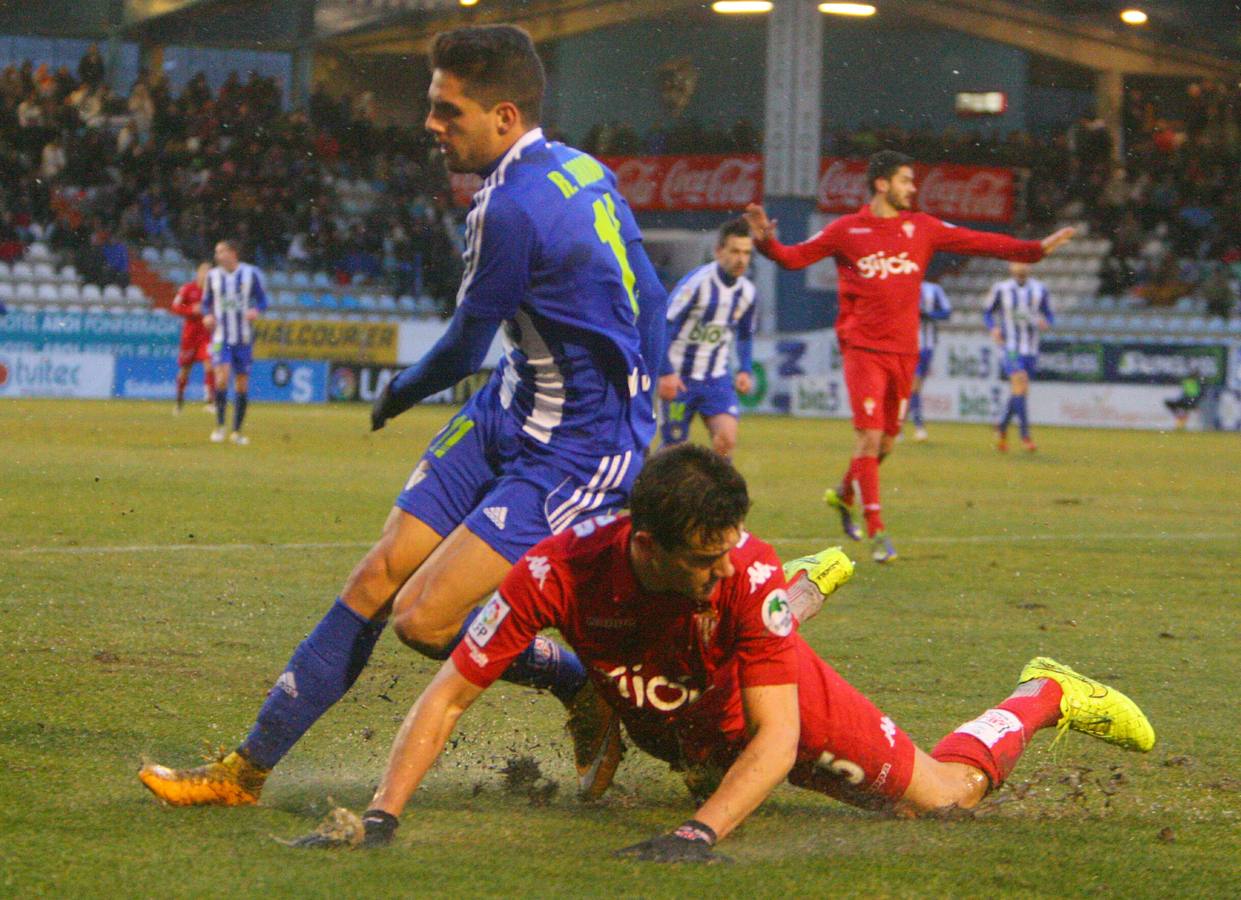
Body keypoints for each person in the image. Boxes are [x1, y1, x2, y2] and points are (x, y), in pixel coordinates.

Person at [139, 24, 667, 808]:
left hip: (575, 448)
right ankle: (244, 773)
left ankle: (576, 682)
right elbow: (650, 292)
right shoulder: (581, 169)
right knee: (378, 574)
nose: (430, 124)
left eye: (446, 110)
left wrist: (396, 393)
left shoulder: (509, 209)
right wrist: (650, 383)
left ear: (504, 115)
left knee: (421, 623)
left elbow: (458, 348)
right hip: (511, 406)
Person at [281, 445, 1155, 858]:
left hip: (777, 707)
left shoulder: (735, 565)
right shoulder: (552, 572)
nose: (719, 563)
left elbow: (778, 740)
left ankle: (1044, 692)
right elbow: (446, 694)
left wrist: (698, 835)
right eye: (703, 556)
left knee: (941, 799)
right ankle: (781, 611)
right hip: (686, 716)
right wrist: (385, 813)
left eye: (725, 550)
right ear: (646, 544)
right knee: (714, 671)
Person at [745, 151, 1075, 563]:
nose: (913, 187)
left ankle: (845, 493)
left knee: (885, 442)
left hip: (905, 350)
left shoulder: (923, 228)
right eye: (905, 180)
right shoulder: (846, 230)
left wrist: (1034, 251)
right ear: (882, 184)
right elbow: (793, 258)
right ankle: (878, 531)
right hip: (863, 348)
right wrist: (766, 242)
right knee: (867, 436)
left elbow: (981, 241)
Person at [658, 218, 757, 457]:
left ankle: (719, 495)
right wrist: (666, 373)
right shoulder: (697, 285)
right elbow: (664, 327)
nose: (741, 259)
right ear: (718, 251)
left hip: (716, 379)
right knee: (674, 451)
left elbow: (745, 335)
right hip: (680, 378)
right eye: (735, 251)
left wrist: (744, 369)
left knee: (726, 440)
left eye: (746, 252)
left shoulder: (747, 292)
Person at [202, 239, 267, 446]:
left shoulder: (250, 274)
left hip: (244, 339)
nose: (217, 255)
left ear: (232, 253)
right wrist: (207, 316)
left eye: (220, 251)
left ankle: (237, 431)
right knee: (221, 379)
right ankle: (220, 427)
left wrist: (255, 311)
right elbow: (205, 304)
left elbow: (263, 300)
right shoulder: (212, 276)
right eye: (216, 251)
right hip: (221, 337)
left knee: (241, 384)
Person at [984, 262, 1053, 452]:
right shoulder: (1001, 288)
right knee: (1020, 382)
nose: (1021, 265)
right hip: (1010, 347)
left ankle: (1002, 428)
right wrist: (994, 328)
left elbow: (1049, 314)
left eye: (1024, 262)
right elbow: (988, 313)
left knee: (1020, 391)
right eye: (1017, 261)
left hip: (1031, 348)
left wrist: (1045, 321)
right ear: (1011, 267)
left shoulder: (1040, 289)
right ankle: (1025, 437)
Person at [908, 277, 952, 442]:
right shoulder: (902, 285)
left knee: (913, 387)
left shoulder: (933, 289)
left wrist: (928, 314)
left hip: (926, 346)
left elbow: (947, 312)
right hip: (905, 345)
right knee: (912, 386)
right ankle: (918, 427)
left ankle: (899, 426)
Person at [170, 261, 214, 414]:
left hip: (207, 335)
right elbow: (175, 307)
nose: (206, 276)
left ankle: (210, 401)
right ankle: (179, 401)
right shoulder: (187, 289)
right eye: (204, 272)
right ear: (198, 273)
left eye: (209, 273)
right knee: (185, 369)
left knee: (210, 364)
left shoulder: (213, 292)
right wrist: (191, 309)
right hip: (190, 335)